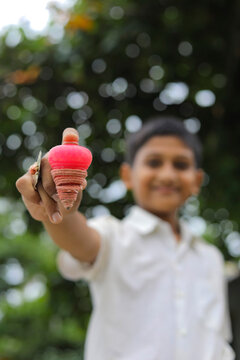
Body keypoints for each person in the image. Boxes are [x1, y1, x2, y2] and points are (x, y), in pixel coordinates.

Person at [16, 117, 235, 360]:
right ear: (127, 175)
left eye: (181, 165)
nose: (167, 174)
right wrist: (55, 209)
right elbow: (79, 239)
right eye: (154, 162)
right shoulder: (113, 237)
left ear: (197, 181)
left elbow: (218, 340)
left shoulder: (211, 258)